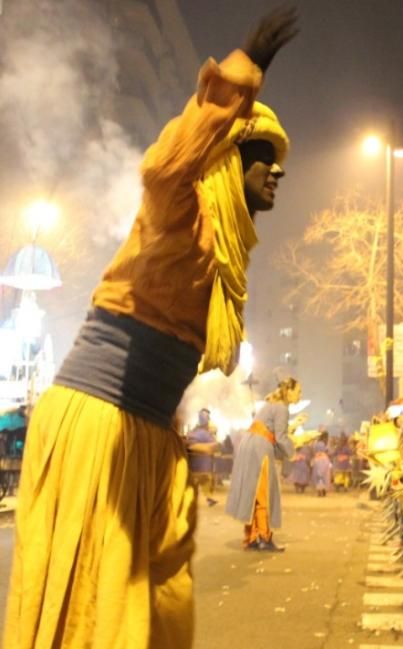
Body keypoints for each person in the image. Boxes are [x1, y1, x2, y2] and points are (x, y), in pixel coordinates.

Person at [2, 9, 297, 649]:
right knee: (98, 618)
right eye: (262, 158)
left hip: (146, 440)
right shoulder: (178, 217)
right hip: (98, 431)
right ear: (226, 161)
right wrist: (239, 79)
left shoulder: (227, 261)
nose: (277, 171)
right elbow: (164, 166)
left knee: (154, 613)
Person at [226, 377, 300, 551]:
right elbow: (281, 438)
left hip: (249, 444)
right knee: (263, 493)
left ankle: (252, 536)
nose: (299, 395)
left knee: (253, 492)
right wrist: (292, 452)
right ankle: (264, 537)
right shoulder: (282, 407)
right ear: (288, 391)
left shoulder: (270, 405)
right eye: (298, 391)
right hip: (260, 448)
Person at [187, 408, 221, 506]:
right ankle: (208, 499)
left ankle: (198, 499)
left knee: (196, 483)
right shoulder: (205, 434)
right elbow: (214, 445)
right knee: (205, 481)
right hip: (203, 464)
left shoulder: (193, 432)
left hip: (194, 465)